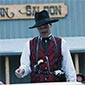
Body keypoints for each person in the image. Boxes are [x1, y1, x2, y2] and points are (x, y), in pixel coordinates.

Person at [15, 10, 76, 82]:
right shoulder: (30, 44)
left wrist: (72, 82)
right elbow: (26, 65)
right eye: (40, 28)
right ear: (37, 28)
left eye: (45, 27)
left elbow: (68, 67)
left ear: (50, 25)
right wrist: (22, 70)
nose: (43, 30)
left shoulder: (61, 43)